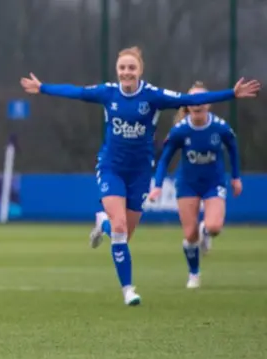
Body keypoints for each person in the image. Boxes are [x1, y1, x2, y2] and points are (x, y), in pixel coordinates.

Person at [20, 46, 260, 306]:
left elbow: (188, 100)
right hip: (111, 167)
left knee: (124, 234)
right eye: (122, 68)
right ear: (117, 70)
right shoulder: (108, 93)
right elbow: (76, 92)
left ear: (140, 71)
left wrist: (232, 94)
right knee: (121, 229)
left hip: (140, 172)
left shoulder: (153, 96)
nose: (126, 72)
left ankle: (103, 222)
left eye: (131, 68)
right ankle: (128, 290)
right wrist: (43, 88)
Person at [148, 81, 241, 289]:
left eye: (203, 100)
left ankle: (206, 232)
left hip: (213, 182)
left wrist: (236, 177)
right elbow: (164, 159)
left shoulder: (220, 127)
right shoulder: (180, 131)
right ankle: (194, 273)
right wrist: (158, 184)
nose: (198, 104)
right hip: (188, 184)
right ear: (187, 105)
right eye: (194, 100)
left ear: (209, 104)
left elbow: (233, 149)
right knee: (190, 235)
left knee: (214, 226)